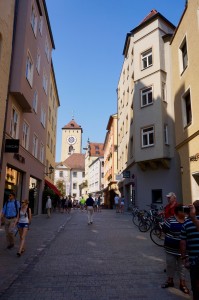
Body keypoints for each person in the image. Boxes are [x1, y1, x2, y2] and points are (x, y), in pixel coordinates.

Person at [161, 204, 189, 294]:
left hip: (183, 250)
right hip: (170, 248)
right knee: (170, 264)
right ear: (178, 212)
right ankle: (170, 281)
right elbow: (164, 230)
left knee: (182, 267)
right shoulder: (170, 220)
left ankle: (182, 283)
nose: (185, 213)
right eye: (183, 211)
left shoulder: (187, 220)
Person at [180, 200, 199, 300]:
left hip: (194, 259)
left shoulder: (186, 223)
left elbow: (183, 242)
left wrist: (184, 258)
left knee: (195, 284)